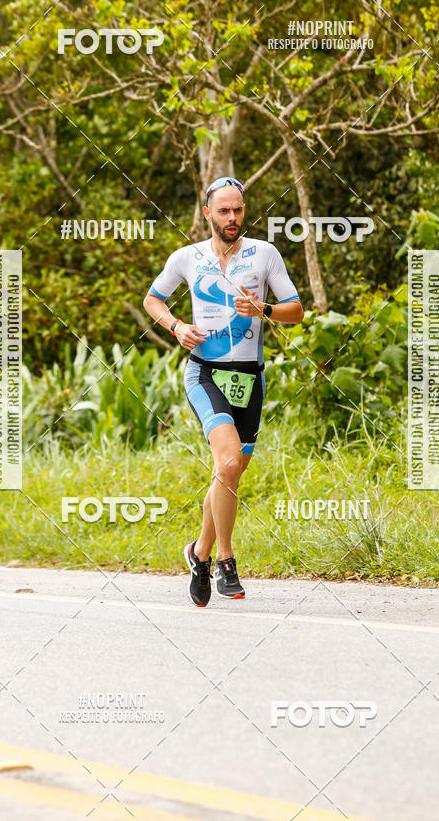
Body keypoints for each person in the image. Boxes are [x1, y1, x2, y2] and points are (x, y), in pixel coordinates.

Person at [143, 176, 304, 607]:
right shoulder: (187, 257)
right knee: (228, 460)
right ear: (207, 213)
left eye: (239, 210)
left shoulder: (264, 254)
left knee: (228, 472)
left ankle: (198, 553)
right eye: (224, 211)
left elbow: (297, 311)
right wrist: (176, 327)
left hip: (250, 378)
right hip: (205, 374)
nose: (232, 218)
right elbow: (153, 300)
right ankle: (225, 560)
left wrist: (264, 309)